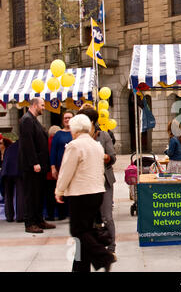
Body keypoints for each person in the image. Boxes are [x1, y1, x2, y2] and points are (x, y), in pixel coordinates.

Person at [55, 114, 115, 272]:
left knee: (78, 231)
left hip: (80, 193)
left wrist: (59, 190)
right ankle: (81, 267)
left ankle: (104, 256)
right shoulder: (96, 145)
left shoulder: (74, 146)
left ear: (74, 129)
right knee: (86, 231)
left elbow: (66, 171)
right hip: (97, 192)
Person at [78, 106, 117, 257]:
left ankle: (111, 247)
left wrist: (102, 155)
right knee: (91, 217)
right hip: (86, 182)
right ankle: (95, 246)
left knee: (107, 216)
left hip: (103, 180)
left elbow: (112, 157)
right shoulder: (79, 137)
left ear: (92, 121)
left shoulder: (104, 136)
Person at [19, 97, 55, 234]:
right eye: (42, 105)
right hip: (32, 166)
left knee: (39, 194)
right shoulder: (27, 120)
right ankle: (30, 223)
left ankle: (39, 220)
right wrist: (34, 162)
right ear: (34, 105)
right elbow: (28, 144)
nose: (44, 108)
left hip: (39, 165)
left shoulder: (33, 120)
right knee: (31, 195)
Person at [46, 125, 62, 221]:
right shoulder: (60, 142)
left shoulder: (47, 142)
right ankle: (62, 214)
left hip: (49, 173)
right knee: (60, 193)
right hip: (59, 171)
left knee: (50, 195)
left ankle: (50, 215)